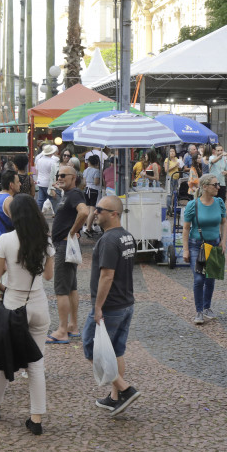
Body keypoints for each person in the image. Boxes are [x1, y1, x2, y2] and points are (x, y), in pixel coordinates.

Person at [0, 194, 54, 436]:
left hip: (13, 306)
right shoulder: (45, 240)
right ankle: (36, 418)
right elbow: (48, 276)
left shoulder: (6, 240)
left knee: (4, 356)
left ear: (13, 215)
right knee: (36, 363)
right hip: (38, 304)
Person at [80, 195, 141, 415]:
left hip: (110, 306)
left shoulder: (107, 240)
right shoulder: (127, 236)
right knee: (116, 351)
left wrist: (97, 308)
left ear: (114, 214)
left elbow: (107, 275)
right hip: (126, 303)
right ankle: (115, 398)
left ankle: (124, 389)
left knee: (90, 346)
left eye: (100, 210)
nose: (95, 213)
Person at [47, 165, 88, 343]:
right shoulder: (68, 195)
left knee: (61, 289)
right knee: (71, 287)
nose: (60, 177)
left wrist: (72, 232)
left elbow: (84, 212)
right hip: (66, 246)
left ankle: (62, 330)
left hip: (64, 246)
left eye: (63, 175)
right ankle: (73, 326)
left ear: (73, 178)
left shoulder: (75, 194)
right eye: (58, 175)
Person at [181, 173, 226, 324]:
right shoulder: (193, 205)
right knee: (199, 278)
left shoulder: (219, 202)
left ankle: (207, 307)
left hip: (214, 244)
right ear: (205, 187)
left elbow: (224, 223)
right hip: (198, 245)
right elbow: (186, 229)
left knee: (210, 278)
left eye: (218, 184)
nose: (218, 187)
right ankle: (199, 311)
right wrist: (185, 249)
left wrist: (223, 240)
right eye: (215, 185)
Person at [0, 170, 20, 236]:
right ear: (11, 185)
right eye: (18, 182)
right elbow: (18, 224)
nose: (20, 184)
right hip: (6, 240)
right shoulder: (9, 200)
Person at [82, 155, 101, 237]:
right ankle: (88, 228)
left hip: (86, 190)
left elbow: (84, 182)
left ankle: (88, 227)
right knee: (93, 210)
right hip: (93, 190)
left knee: (88, 209)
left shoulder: (85, 170)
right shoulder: (97, 171)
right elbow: (96, 182)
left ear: (89, 162)